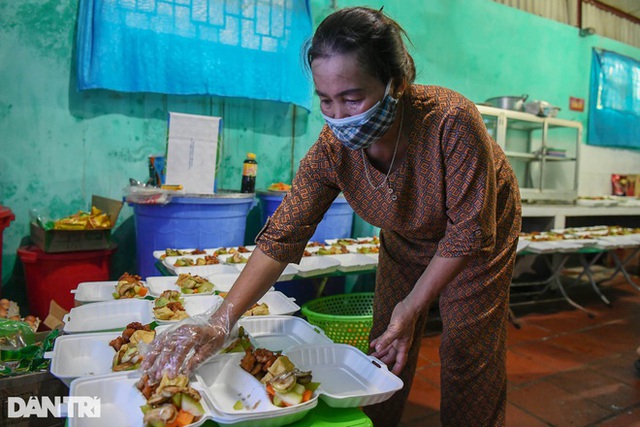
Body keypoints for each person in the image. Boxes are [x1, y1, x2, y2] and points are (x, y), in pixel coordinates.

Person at [142, 6, 522, 426]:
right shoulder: (332, 148)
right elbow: (282, 236)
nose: (339, 116)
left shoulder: (450, 121)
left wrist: (414, 307)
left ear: (395, 83)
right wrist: (221, 321)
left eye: (353, 98)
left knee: (467, 349)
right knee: (385, 341)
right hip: (407, 236)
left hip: (479, 237)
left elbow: (468, 233)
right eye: (326, 100)